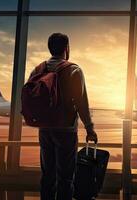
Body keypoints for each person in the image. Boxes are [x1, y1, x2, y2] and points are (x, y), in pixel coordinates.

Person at [29, 33, 98, 200]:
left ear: (50, 48)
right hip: (66, 130)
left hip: (44, 129)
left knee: (47, 175)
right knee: (66, 177)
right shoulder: (74, 70)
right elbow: (82, 103)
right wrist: (90, 128)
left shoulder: (37, 69)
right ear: (67, 48)